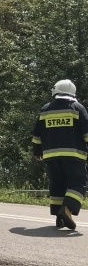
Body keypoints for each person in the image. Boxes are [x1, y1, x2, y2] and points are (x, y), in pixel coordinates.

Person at [31, 79, 88, 231]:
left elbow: (36, 135)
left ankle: (59, 217)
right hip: (74, 156)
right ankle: (67, 209)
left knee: (58, 185)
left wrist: (37, 152)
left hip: (51, 157)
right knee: (78, 184)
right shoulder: (77, 108)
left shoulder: (45, 109)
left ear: (55, 91)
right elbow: (86, 133)